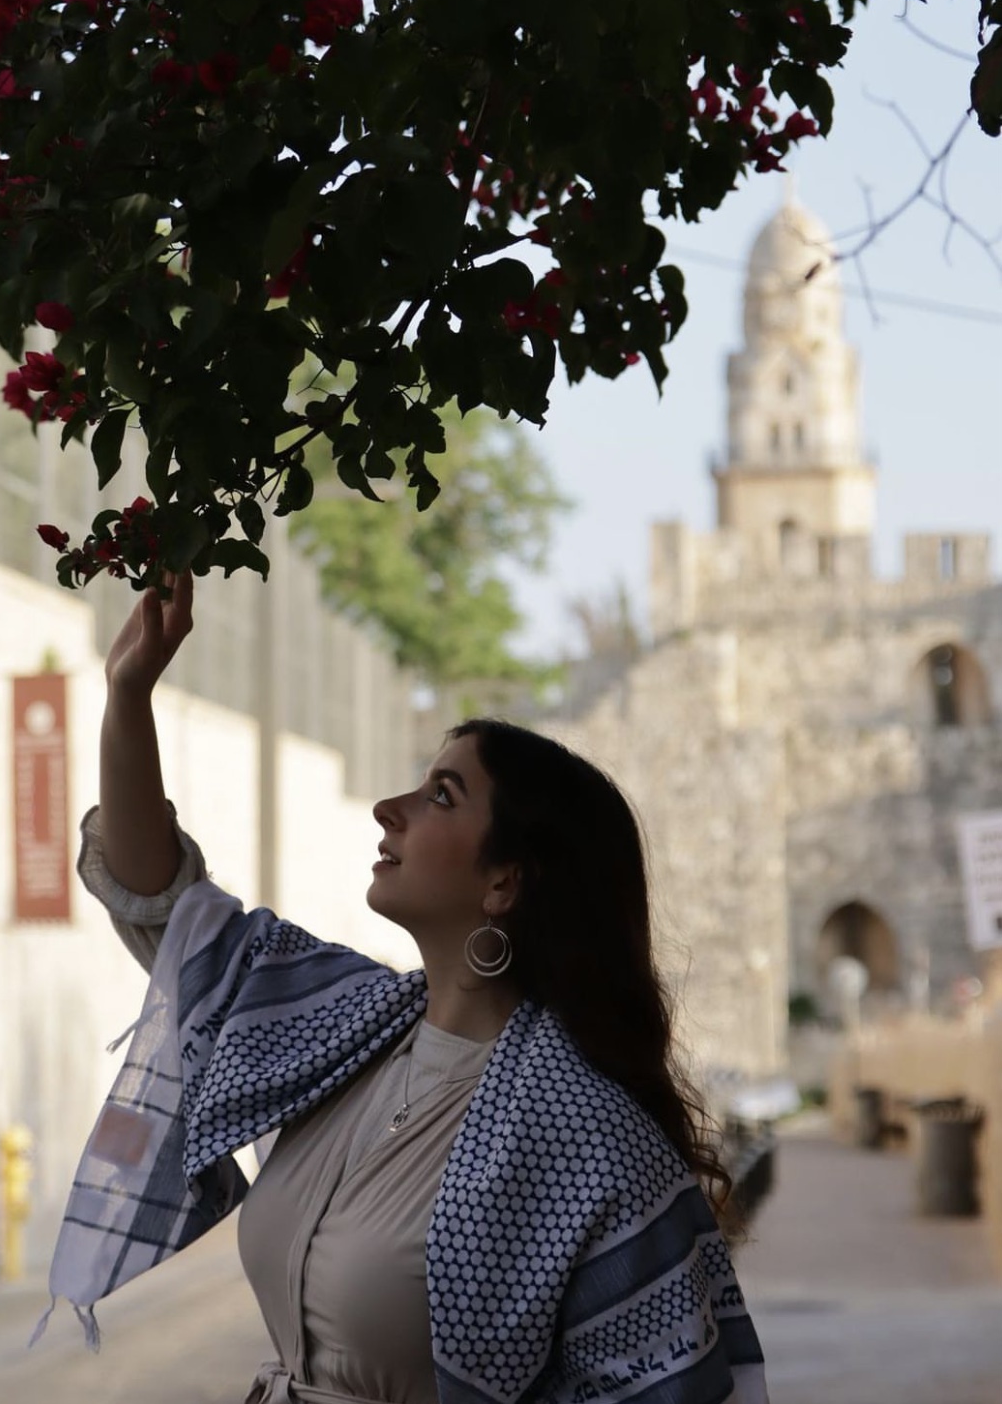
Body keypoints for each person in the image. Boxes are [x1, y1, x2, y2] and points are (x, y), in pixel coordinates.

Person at [42, 572, 769, 1404]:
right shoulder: (340, 1028)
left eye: (440, 795)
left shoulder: (589, 1138)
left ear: (504, 881)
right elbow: (167, 905)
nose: (389, 807)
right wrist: (128, 694)